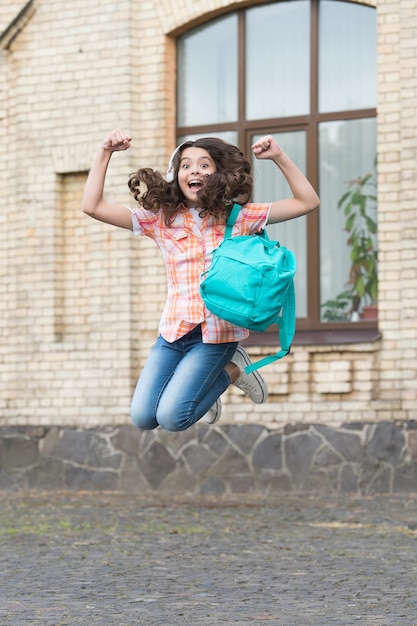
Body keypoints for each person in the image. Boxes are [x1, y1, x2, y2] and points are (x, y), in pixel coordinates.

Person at [82, 129, 319, 431]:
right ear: (176, 175)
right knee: (143, 417)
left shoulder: (239, 216)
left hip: (218, 334)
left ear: (218, 174)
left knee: (173, 418)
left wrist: (278, 157)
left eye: (204, 164)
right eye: (186, 165)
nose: (195, 170)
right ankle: (203, 390)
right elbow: (92, 206)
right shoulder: (160, 219)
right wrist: (105, 152)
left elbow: (307, 201)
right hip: (174, 332)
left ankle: (234, 370)